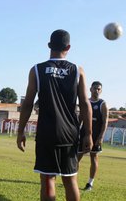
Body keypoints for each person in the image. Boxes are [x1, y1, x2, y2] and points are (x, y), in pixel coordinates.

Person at [16, 29, 93, 201]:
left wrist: (20, 131)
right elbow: (86, 104)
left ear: (49, 45)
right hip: (70, 133)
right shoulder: (77, 71)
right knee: (70, 179)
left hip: (47, 132)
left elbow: (27, 103)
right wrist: (87, 133)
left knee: (48, 179)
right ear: (69, 47)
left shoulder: (37, 70)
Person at [78, 81, 109, 191]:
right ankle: (72, 180)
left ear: (101, 91)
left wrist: (101, 136)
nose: (96, 90)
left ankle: (90, 183)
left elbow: (105, 122)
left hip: (96, 135)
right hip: (83, 134)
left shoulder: (102, 104)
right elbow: (80, 119)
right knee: (76, 157)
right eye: (94, 88)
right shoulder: (85, 102)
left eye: (98, 89)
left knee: (93, 157)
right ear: (90, 89)